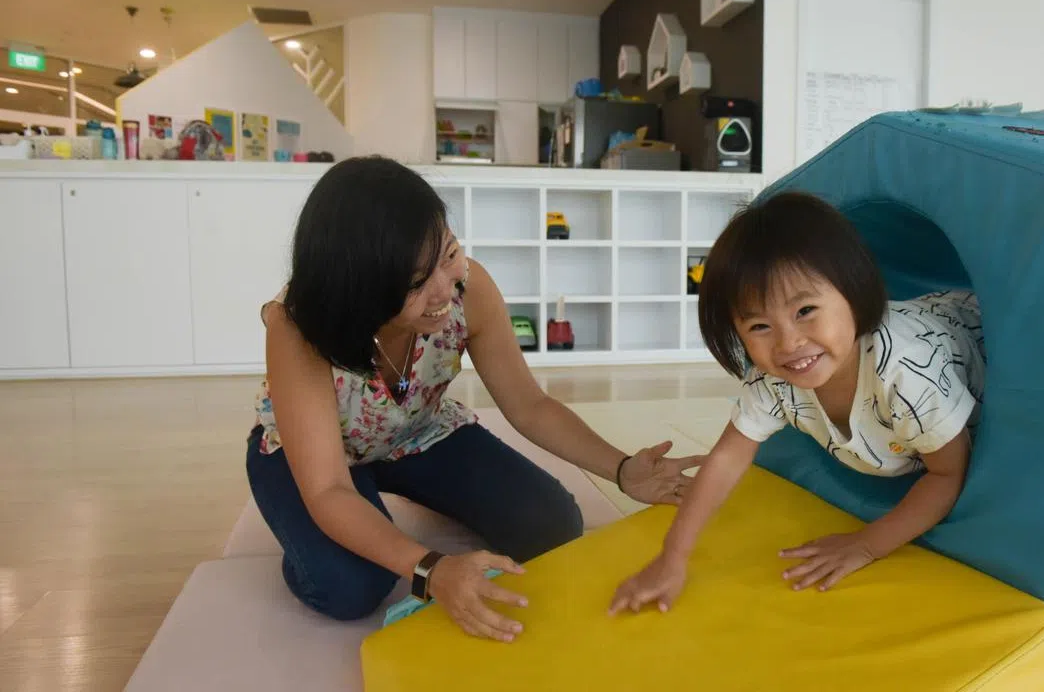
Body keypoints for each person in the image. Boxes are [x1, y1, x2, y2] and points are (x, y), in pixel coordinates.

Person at [246, 156, 699, 642]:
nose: (445, 289)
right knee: (350, 587)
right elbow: (329, 489)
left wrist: (623, 468)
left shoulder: (469, 287)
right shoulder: (298, 326)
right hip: (317, 463)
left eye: (449, 253)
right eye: (415, 284)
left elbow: (529, 405)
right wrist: (431, 569)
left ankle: (398, 499)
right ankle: (309, 542)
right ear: (359, 289)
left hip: (418, 433)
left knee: (552, 525)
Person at [609, 192, 985, 614]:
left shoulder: (905, 372)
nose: (789, 343)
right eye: (760, 325)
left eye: (805, 310)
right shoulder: (774, 378)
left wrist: (865, 545)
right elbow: (728, 459)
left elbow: (949, 473)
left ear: (854, 291)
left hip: (971, 327)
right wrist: (672, 557)